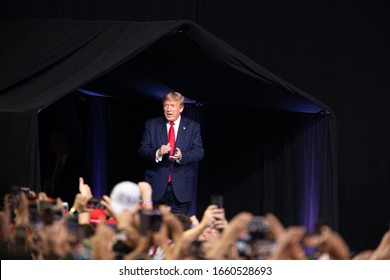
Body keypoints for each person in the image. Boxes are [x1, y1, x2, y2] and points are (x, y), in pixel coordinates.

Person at [138, 91, 204, 216]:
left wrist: (182, 156)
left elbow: (199, 152)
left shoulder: (192, 127)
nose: (168, 109)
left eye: (172, 106)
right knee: (156, 229)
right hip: (156, 186)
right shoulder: (151, 125)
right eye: (166, 105)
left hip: (181, 188)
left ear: (181, 108)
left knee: (178, 229)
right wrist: (158, 152)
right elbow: (142, 150)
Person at [42, 129, 90, 205]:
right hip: (51, 207)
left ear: (64, 142)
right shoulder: (49, 162)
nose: (52, 144)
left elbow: (74, 189)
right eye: (52, 141)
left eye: (55, 141)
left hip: (69, 207)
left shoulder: (77, 165)